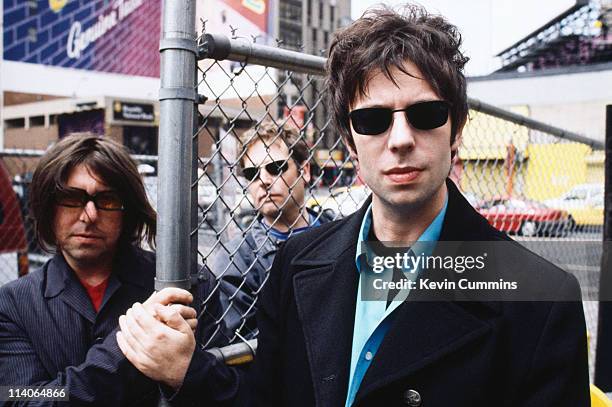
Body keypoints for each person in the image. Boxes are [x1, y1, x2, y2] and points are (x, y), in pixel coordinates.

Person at [117, 4, 590, 406]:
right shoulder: (298, 262)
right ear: (349, 138)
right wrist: (188, 371)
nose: (401, 140)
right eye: (373, 120)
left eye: (426, 115)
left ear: (457, 131)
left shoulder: (540, 301)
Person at [0, 134, 212, 405]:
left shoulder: (187, 286)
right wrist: (130, 339)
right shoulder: (12, 305)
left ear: (128, 212)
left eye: (108, 200)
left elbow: (233, 385)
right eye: (71, 198)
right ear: (48, 207)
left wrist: (184, 372)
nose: (89, 215)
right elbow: (21, 400)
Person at [212, 121, 333, 339]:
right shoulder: (236, 261)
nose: (264, 181)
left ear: (304, 171)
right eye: (252, 173)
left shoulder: (342, 232)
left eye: (275, 168)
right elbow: (245, 345)